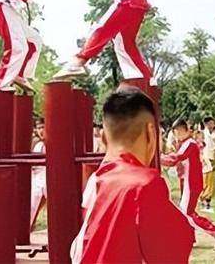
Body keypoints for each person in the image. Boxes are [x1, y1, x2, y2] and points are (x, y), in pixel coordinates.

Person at [70, 88, 194, 263]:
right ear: (151, 133)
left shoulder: (96, 181)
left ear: (103, 138)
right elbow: (173, 252)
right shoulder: (145, 184)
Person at [161, 119, 215, 250]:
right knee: (187, 211)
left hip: (192, 183)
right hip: (188, 183)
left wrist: (158, 157)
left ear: (182, 130)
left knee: (187, 213)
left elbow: (175, 159)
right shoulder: (185, 143)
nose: (176, 135)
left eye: (176, 132)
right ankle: (191, 238)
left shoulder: (190, 144)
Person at [30, 119, 47, 230]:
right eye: (39, 128)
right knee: (32, 207)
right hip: (37, 177)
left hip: (47, 177)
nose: (41, 130)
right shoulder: (37, 144)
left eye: (43, 127)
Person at [200, 117, 215, 212]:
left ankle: (208, 202)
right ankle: (203, 200)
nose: (212, 125)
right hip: (206, 160)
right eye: (210, 123)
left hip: (212, 159)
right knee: (206, 181)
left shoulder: (214, 134)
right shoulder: (203, 134)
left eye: (213, 123)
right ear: (206, 124)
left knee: (212, 183)